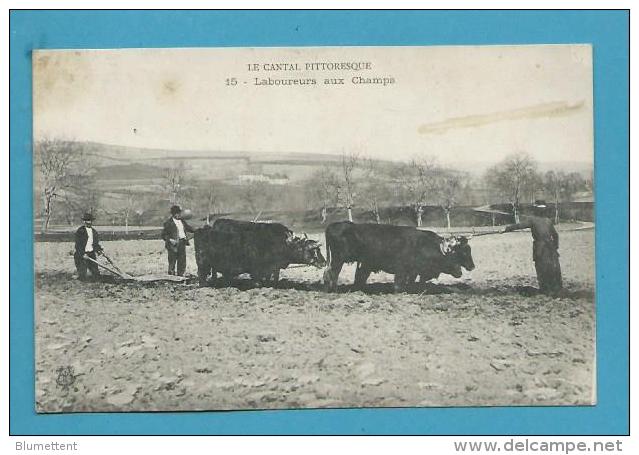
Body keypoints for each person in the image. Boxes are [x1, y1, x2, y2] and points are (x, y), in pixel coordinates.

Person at [501, 209, 562, 294]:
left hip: (540, 248)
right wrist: (555, 247)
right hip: (551, 248)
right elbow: (555, 235)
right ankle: (556, 288)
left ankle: (545, 289)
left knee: (541, 268)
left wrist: (507, 228)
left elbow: (520, 225)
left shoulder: (533, 220)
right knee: (553, 268)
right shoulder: (548, 220)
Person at [161, 205, 195, 276]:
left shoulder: (182, 221)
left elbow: (189, 228)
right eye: (178, 213)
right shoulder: (168, 223)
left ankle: (180, 275)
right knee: (172, 261)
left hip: (182, 242)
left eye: (180, 213)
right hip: (173, 245)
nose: (179, 215)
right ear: (173, 214)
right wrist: (170, 240)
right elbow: (163, 235)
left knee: (182, 261)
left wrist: (198, 230)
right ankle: (171, 276)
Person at [74, 212, 103, 281]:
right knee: (82, 276)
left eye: (90, 220)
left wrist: (99, 250)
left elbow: (95, 243)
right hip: (81, 255)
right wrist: (82, 254)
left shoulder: (94, 231)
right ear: (84, 221)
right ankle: (80, 277)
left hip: (91, 254)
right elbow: (78, 245)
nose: (89, 222)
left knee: (96, 274)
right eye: (87, 220)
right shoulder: (80, 231)